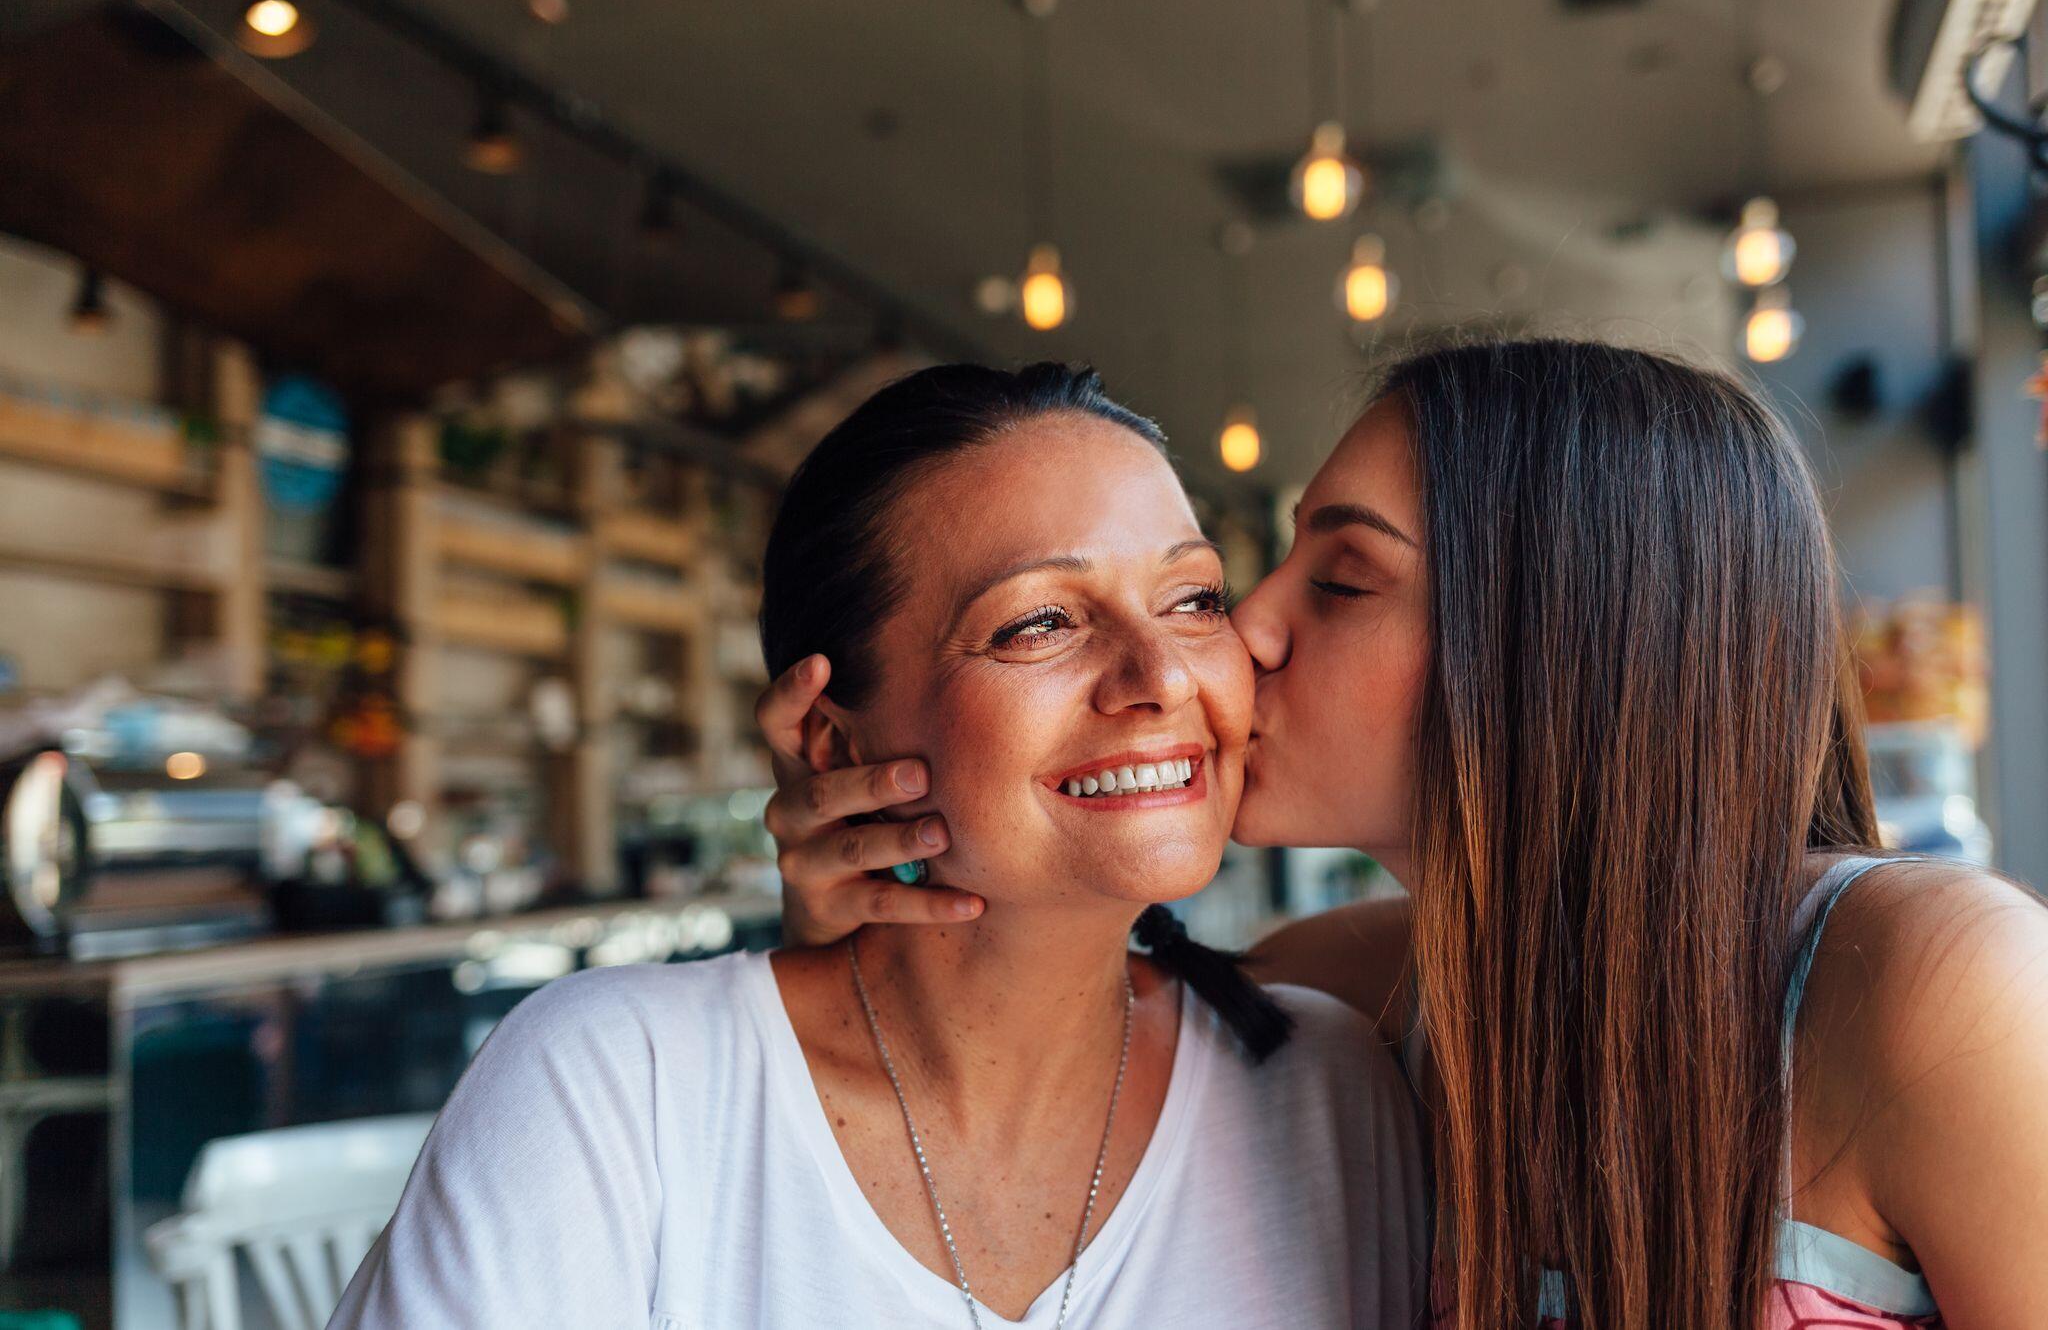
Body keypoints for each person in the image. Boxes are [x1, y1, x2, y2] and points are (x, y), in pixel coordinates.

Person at [760, 339, 2048, 1329]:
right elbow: (1000, 1043)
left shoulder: (1935, 988)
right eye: (1241, 581)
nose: (1242, 633)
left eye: (1339, 581)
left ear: (1561, 643)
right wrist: (865, 916)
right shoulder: (1342, 1001)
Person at [328, 363, 1429, 1330]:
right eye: (1039, 622)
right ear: (831, 738)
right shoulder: (623, 1089)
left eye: (1191, 598)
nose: (1161, 677)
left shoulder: (1327, 1090)